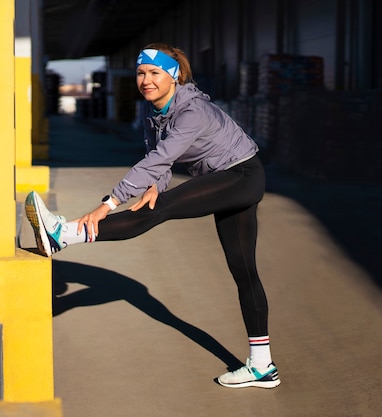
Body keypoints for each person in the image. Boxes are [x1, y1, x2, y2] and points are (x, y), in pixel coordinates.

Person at [25, 42, 280, 389]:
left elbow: (159, 159)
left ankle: (64, 234)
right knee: (244, 271)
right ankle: (262, 365)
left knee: (165, 209)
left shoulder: (193, 112)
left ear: (173, 77)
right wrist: (153, 186)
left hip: (242, 176)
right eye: (141, 73)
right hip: (227, 180)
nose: (146, 80)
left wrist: (109, 203)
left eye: (154, 73)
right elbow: (159, 159)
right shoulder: (153, 113)